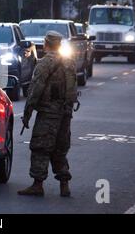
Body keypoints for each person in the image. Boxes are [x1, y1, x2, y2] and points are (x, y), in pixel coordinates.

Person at [18, 31, 77, 197]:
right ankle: (64, 184)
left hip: (48, 113)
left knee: (41, 147)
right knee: (59, 148)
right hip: (65, 112)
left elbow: (35, 89)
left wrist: (27, 112)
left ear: (46, 44)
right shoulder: (70, 62)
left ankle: (37, 184)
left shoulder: (44, 63)